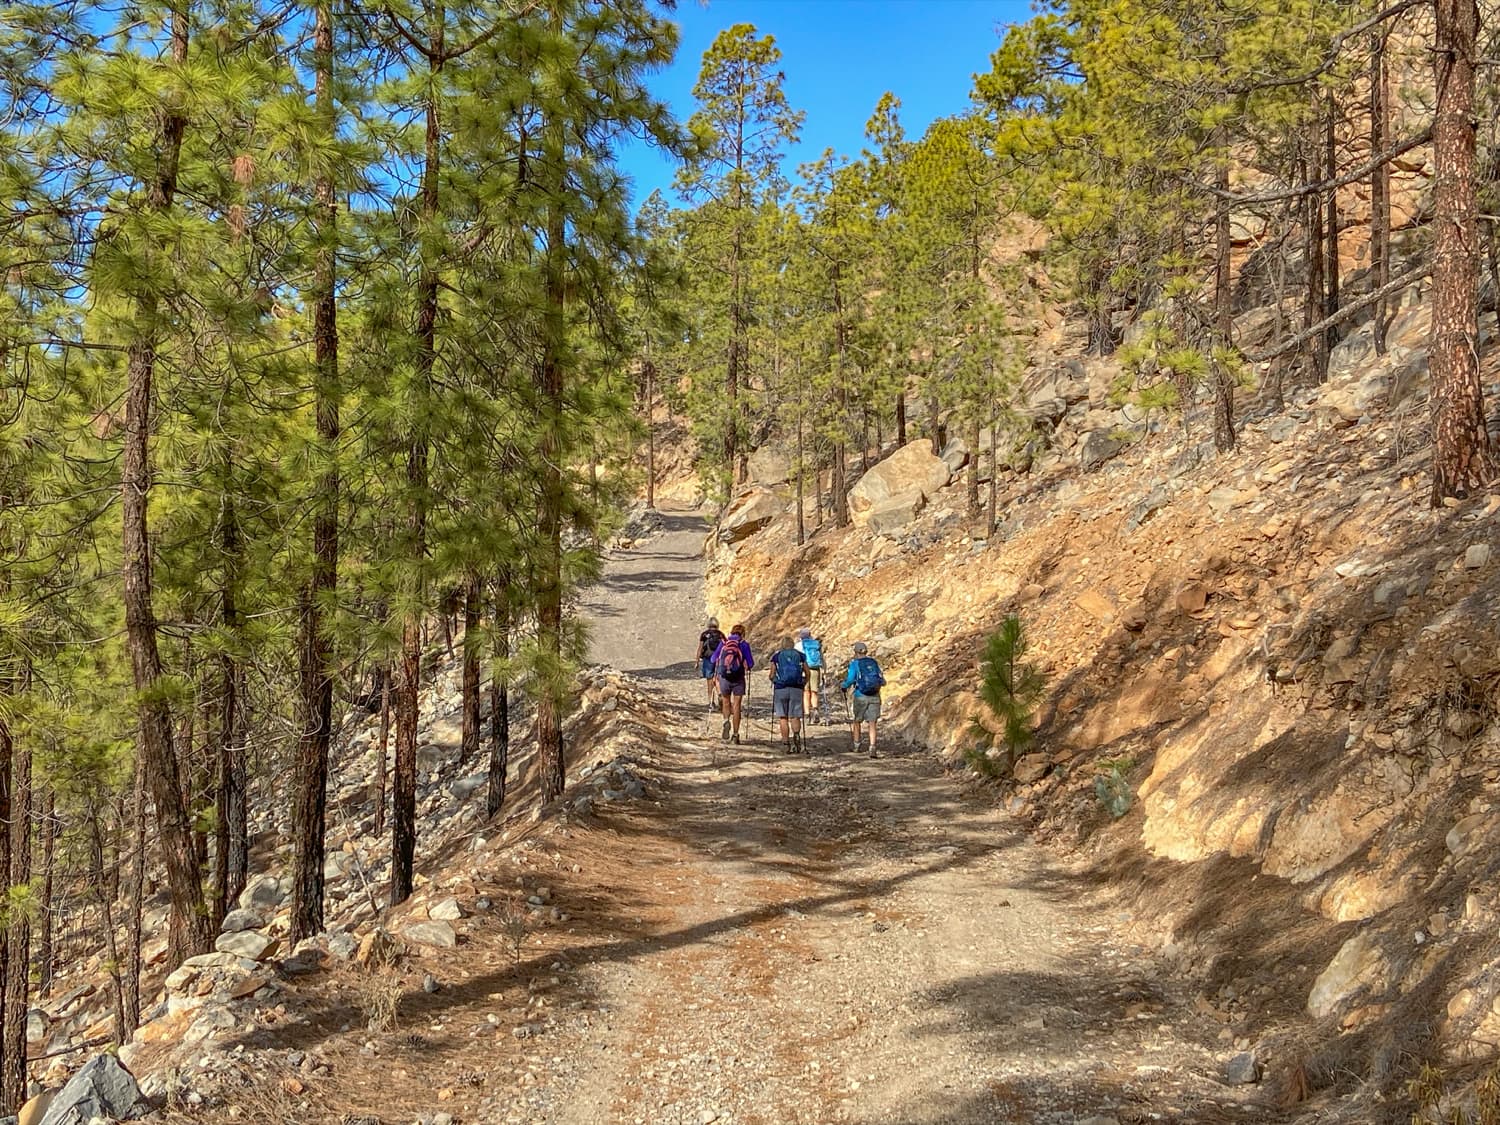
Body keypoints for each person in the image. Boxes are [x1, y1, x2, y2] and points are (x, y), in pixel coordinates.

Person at [709, 624, 754, 744]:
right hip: (738, 678)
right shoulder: (744, 645)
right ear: (743, 633)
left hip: (724, 678)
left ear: (732, 632)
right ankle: (735, 734)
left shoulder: (724, 643)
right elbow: (750, 664)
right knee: (737, 706)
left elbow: (713, 659)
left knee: (726, 701)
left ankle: (725, 721)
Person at [841, 641, 886, 758]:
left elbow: (850, 679)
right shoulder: (873, 662)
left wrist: (844, 686)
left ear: (855, 652)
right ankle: (872, 747)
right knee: (872, 722)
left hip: (860, 695)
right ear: (866, 651)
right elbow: (882, 679)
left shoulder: (855, 664)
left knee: (857, 720)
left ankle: (856, 744)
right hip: (875, 695)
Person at [767, 636, 809, 754]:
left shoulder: (777, 656)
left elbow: (771, 675)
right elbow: (807, 671)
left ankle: (786, 743)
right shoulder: (800, 655)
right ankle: (796, 736)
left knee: (783, 717)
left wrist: (775, 681)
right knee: (795, 716)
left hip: (781, 689)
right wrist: (804, 682)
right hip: (796, 688)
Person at [795, 627, 824, 723]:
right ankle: (815, 710)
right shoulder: (816, 644)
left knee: (806, 692)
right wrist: (824, 670)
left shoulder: (799, 645)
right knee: (814, 691)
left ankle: (807, 714)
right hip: (815, 669)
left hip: (804, 670)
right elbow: (822, 659)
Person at [696, 616, 725, 711]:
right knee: (717, 679)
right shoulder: (721, 634)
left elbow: (700, 648)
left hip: (708, 659)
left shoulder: (704, 635)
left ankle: (711, 702)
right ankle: (720, 694)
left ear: (709, 624)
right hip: (719, 660)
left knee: (709, 681)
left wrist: (697, 661)